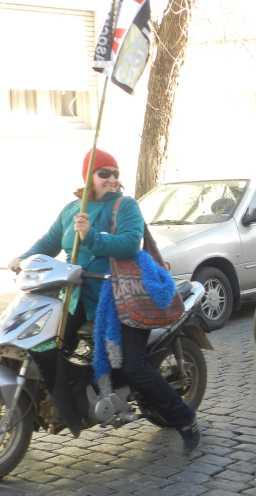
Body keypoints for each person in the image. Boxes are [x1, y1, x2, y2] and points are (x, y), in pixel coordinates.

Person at [8, 149, 200, 452]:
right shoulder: (72, 210)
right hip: (77, 298)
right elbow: (50, 241)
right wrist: (23, 258)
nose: (111, 179)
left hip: (122, 298)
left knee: (135, 366)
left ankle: (185, 419)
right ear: (89, 177)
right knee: (48, 346)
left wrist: (92, 237)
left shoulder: (125, 206)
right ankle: (73, 404)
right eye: (104, 173)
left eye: (115, 173)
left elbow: (129, 243)